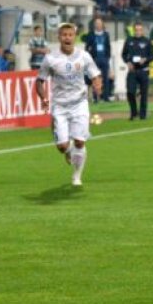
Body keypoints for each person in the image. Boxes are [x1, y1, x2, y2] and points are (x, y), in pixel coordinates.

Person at [35, 23, 102, 187]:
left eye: (70, 35)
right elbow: (39, 81)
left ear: (75, 37)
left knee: (80, 141)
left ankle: (77, 176)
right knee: (62, 146)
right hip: (60, 106)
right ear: (59, 37)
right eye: (64, 35)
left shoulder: (84, 56)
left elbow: (96, 74)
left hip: (79, 103)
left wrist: (97, 83)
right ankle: (67, 150)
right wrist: (43, 97)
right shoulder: (50, 59)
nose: (67, 37)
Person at [122, 21, 153, 120]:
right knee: (130, 92)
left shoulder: (147, 41)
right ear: (133, 30)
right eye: (136, 30)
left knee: (143, 94)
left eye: (140, 30)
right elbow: (124, 54)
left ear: (143, 31)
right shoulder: (129, 41)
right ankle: (133, 113)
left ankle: (143, 115)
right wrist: (128, 62)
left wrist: (145, 60)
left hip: (143, 70)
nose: (138, 32)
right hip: (132, 71)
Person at [84, 18, 113, 102]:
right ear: (94, 25)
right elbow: (87, 47)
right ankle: (95, 97)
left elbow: (108, 46)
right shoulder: (91, 35)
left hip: (104, 58)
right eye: (97, 23)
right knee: (95, 78)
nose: (98, 25)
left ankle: (106, 97)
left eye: (100, 23)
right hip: (94, 59)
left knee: (105, 78)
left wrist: (108, 57)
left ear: (102, 24)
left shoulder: (106, 34)